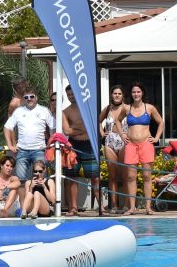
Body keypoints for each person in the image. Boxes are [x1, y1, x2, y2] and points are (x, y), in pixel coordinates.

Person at [3, 87, 54, 205]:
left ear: (37, 97)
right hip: (22, 151)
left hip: (39, 150)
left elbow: (53, 127)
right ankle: (23, 206)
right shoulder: (18, 111)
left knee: (40, 180)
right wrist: (10, 145)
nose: (29, 99)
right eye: (26, 97)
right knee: (21, 181)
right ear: (23, 99)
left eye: (31, 96)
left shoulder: (44, 110)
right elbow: (7, 127)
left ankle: (42, 206)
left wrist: (51, 144)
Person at [122, 82, 164, 215]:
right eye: (134, 92)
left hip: (146, 144)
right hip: (131, 145)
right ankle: (132, 207)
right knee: (130, 176)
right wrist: (122, 134)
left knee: (147, 175)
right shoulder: (126, 108)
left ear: (142, 93)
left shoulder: (149, 108)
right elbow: (117, 120)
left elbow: (161, 122)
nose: (136, 94)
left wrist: (157, 138)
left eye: (138, 92)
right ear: (131, 94)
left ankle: (148, 207)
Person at [62, 85, 101, 215]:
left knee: (95, 177)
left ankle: (101, 207)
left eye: (73, 94)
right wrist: (84, 129)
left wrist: (79, 130)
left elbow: (94, 125)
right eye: (69, 95)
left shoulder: (88, 108)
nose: (71, 97)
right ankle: (73, 207)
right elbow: (67, 131)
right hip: (73, 146)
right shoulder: (65, 111)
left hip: (89, 145)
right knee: (71, 177)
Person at [99, 85, 128, 213]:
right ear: (111, 95)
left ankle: (127, 204)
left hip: (124, 141)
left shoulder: (127, 108)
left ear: (123, 96)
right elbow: (98, 121)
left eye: (119, 93)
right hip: (110, 141)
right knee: (112, 176)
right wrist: (102, 133)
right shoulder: (108, 109)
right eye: (115, 93)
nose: (117, 95)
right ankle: (114, 205)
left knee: (126, 175)